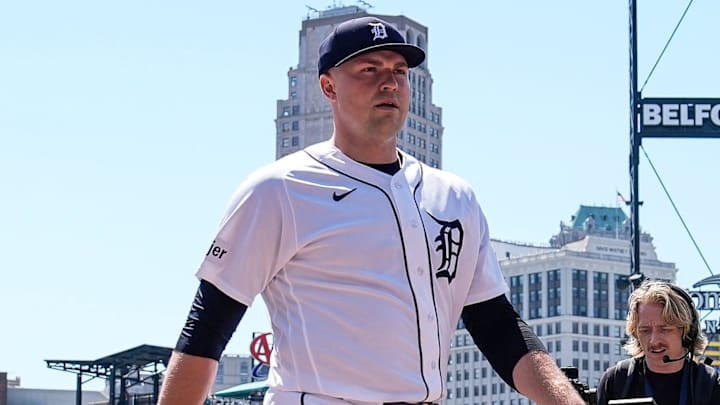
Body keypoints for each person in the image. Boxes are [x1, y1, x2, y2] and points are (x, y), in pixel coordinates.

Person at [158, 16, 584, 405]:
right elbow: (207, 329)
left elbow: (499, 328)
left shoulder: (454, 196)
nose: (390, 83)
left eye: (399, 71)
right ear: (328, 87)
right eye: (370, 70)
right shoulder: (280, 188)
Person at [596, 280, 720, 405]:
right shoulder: (616, 380)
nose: (654, 340)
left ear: (687, 332)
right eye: (645, 331)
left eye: (664, 329)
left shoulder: (709, 384)